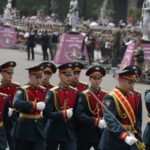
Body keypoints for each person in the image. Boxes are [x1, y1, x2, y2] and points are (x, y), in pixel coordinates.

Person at [99, 66, 142, 150]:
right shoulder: (110, 97)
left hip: (131, 138)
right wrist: (124, 135)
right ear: (120, 80)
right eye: (129, 82)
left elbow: (137, 119)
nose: (132, 85)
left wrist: (138, 135)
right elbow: (110, 121)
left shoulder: (132, 96)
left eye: (134, 82)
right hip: (114, 140)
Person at [43, 63, 79, 150]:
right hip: (53, 131)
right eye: (66, 75)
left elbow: (77, 112)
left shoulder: (75, 92)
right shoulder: (52, 92)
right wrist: (63, 114)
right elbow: (46, 113)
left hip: (69, 132)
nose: (69, 77)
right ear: (59, 75)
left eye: (70, 75)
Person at [13, 65, 46, 150]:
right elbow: (16, 103)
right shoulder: (22, 90)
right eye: (36, 77)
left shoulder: (43, 90)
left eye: (40, 77)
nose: (38, 80)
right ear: (30, 76)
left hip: (39, 129)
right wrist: (34, 105)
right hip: (24, 130)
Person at [75, 65, 107, 150]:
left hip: (100, 132)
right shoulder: (84, 94)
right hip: (86, 132)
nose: (96, 81)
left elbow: (108, 113)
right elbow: (79, 114)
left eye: (99, 78)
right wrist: (95, 121)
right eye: (94, 78)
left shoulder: (105, 95)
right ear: (90, 79)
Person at [0, 61, 20, 150]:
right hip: (2, 121)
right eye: (8, 73)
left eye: (12, 73)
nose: (10, 75)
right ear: (2, 73)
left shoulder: (16, 86)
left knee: (15, 145)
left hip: (14, 120)